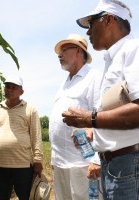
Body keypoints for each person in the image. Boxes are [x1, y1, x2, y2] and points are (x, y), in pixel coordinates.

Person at [62, 0, 139, 198]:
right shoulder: (112, 60)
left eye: (91, 24)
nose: (88, 32)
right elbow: (120, 113)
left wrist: (90, 118)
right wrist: (93, 129)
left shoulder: (137, 48)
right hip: (119, 165)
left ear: (109, 20)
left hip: (135, 163)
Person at [49, 33, 101, 200]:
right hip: (61, 163)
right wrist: (54, 158)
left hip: (83, 163)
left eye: (64, 49)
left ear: (79, 51)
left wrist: (97, 160)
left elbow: (102, 118)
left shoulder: (94, 77)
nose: (60, 54)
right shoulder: (66, 82)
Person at [0, 75, 44, 200]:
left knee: (26, 197)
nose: (9, 90)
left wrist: (38, 160)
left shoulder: (30, 109)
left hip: (22, 166)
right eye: (7, 87)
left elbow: (36, 136)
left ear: (21, 92)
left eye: (13, 87)